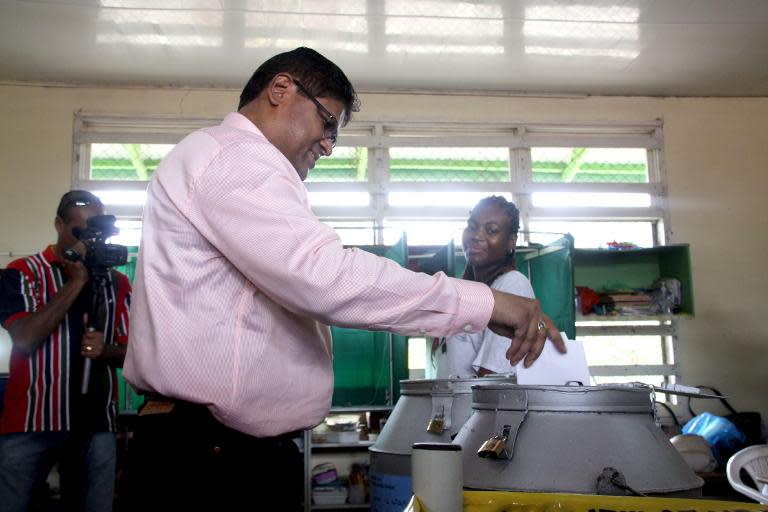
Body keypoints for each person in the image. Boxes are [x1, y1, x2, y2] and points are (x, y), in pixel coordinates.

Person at [123, 47, 565, 510]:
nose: (330, 146)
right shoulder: (235, 159)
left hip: (223, 450)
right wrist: (485, 304)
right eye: (327, 123)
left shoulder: (236, 166)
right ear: (281, 89)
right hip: (211, 458)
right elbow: (324, 277)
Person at [0, 190, 132, 512]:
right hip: (30, 423)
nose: (89, 241)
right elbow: (26, 338)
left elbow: (135, 356)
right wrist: (75, 283)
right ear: (59, 224)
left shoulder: (117, 283)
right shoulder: (22, 272)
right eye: (80, 231)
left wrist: (107, 351)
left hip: (97, 425)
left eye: (97, 233)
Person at [434, 195, 536, 378]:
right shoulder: (466, 291)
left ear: (512, 241)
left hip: (479, 406)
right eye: (472, 227)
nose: (476, 236)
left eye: (491, 230)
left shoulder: (512, 285)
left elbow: (495, 377)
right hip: (452, 405)